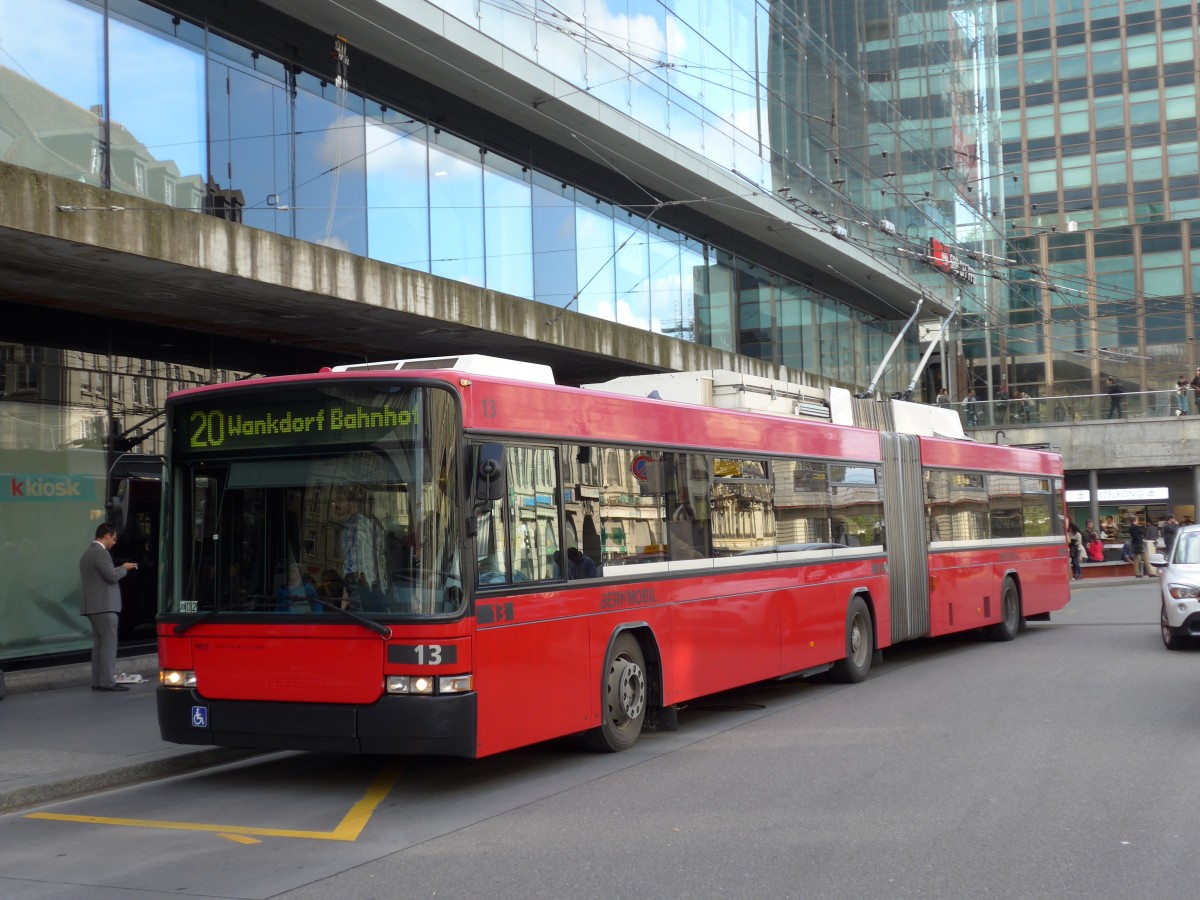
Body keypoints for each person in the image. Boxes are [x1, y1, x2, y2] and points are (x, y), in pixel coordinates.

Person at [79, 523, 137, 692]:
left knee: (99, 645)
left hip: (93, 606)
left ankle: (98, 681)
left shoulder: (87, 554)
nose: (115, 542)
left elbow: (102, 576)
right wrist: (124, 569)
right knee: (109, 645)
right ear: (106, 536)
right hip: (105, 606)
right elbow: (111, 577)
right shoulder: (101, 553)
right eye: (114, 538)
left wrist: (116, 569)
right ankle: (108, 682)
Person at [334, 486, 389, 611]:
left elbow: (354, 569)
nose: (336, 504)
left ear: (352, 502)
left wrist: (347, 597)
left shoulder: (355, 526)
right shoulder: (364, 523)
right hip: (369, 587)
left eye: (340, 499)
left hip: (362, 589)